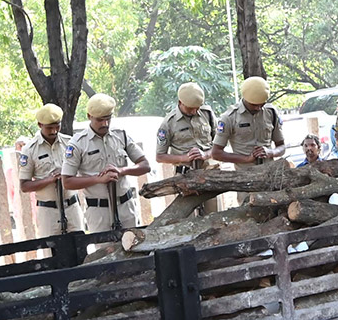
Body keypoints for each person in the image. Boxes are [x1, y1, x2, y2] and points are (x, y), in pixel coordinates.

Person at [62, 94, 150, 233]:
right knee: (105, 252)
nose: (105, 124)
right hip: (99, 212)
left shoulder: (120, 135)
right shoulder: (78, 144)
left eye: (108, 118)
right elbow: (67, 182)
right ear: (89, 116)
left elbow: (145, 165)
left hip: (125, 207)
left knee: (134, 248)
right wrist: (98, 179)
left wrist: (122, 171)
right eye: (100, 120)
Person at [19, 104, 85, 237]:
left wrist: (67, 175)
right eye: (49, 127)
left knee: (80, 249)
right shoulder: (30, 150)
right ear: (39, 125)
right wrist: (49, 180)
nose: (54, 131)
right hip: (48, 210)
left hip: (72, 206)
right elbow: (24, 186)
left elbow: (82, 171)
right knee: (52, 252)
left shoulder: (70, 143)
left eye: (57, 126)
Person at [211, 77, 286, 165]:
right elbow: (216, 154)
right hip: (244, 174)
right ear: (245, 98)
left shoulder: (271, 113)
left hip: (269, 170)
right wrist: (247, 159)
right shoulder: (229, 117)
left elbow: (282, 146)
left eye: (262, 104)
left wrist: (270, 152)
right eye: (254, 105)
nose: (258, 108)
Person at [156, 83, 217, 174]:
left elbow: (219, 144)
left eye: (197, 108)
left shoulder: (207, 114)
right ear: (180, 102)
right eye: (190, 108)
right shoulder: (168, 123)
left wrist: (206, 154)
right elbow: (160, 157)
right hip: (184, 175)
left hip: (212, 171)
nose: (193, 112)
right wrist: (184, 158)